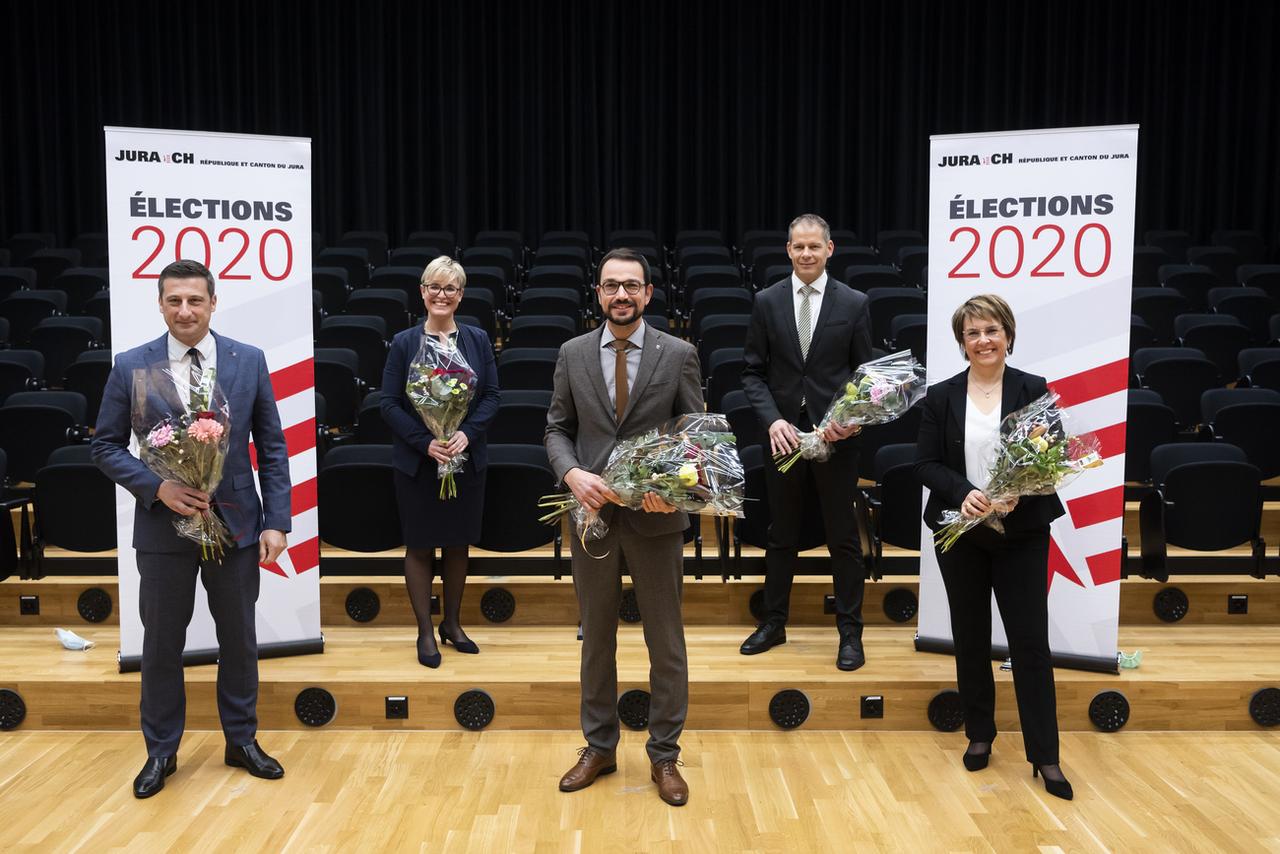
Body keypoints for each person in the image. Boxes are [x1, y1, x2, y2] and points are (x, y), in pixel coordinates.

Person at [92, 259, 291, 799]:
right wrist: (157, 488)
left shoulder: (247, 360)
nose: (185, 310)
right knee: (161, 644)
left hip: (238, 526)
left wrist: (278, 521)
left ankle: (241, 740)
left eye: (195, 301)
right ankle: (161, 750)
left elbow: (272, 446)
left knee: (240, 641)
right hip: (162, 530)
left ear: (212, 303)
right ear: (159, 304)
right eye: (174, 301)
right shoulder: (131, 365)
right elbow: (105, 445)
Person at [545, 248, 703, 807]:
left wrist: (678, 488)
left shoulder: (678, 353)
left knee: (666, 642)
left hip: (656, 522)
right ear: (598, 293)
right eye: (611, 285)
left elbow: (694, 437)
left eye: (631, 286)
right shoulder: (572, 353)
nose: (621, 295)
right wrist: (571, 474)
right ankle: (600, 747)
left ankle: (665, 755)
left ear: (648, 293)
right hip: (591, 519)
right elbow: (557, 429)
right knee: (596, 639)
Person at [913, 293, 1073, 801]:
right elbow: (925, 464)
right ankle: (980, 735)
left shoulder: (1034, 389)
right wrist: (966, 493)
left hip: (1021, 533)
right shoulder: (940, 397)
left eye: (991, 331)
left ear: (1008, 335)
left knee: (1029, 644)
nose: (983, 341)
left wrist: (1016, 492)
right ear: (962, 343)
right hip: (960, 532)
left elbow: (1051, 460)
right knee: (971, 635)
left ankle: (1045, 755)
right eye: (972, 333)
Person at [739, 213, 875, 670]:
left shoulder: (855, 303)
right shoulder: (766, 301)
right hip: (781, 439)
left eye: (814, 246)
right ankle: (774, 623)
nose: (806, 254)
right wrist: (773, 420)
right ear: (788, 250)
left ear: (829, 249)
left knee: (843, 537)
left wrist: (850, 420)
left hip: (836, 439)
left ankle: (850, 633)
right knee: (782, 534)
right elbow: (752, 373)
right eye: (798, 247)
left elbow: (865, 378)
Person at [380, 256, 500, 667]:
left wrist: (466, 433)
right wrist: (425, 441)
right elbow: (389, 404)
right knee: (418, 545)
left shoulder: (478, 340)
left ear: (460, 295)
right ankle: (425, 632)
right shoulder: (403, 342)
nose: (441, 294)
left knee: (456, 543)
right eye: (434, 286)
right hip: (419, 463)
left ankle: (452, 623)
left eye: (450, 288)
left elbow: (491, 397)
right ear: (422, 292)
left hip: (465, 460)